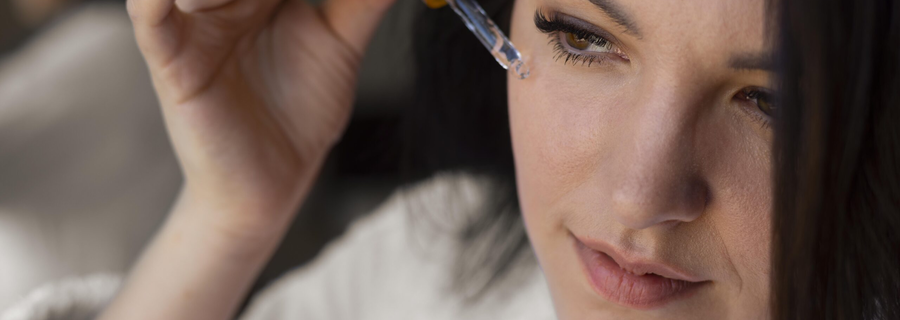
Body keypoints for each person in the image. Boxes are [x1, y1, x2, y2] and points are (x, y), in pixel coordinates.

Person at [96, 0, 899, 319]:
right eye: (583, 39)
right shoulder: (432, 268)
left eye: (774, 104)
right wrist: (225, 219)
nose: (636, 196)